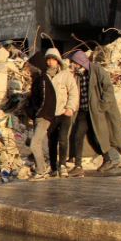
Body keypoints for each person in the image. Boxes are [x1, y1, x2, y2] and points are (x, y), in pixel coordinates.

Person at [68, 50, 121, 177]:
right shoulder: (78, 75)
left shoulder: (97, 71)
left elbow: (108, 88)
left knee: (96, 137)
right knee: (78, 135)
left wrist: (101, 105)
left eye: (75, 62)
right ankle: (78, 166)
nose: (73, 65)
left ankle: (108, 159)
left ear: (80, 62)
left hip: (96, 111)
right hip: (83, 111)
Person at [44, 48, 79, 178]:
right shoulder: (44, 76)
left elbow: (74, 93)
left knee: (63, 139)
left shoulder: (66, 75)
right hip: (50, 115)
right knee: (52, 141)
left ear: (57, 61)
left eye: (52, 59)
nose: (50, 62)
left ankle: (62, 165)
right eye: (48, 59)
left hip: (64, 113)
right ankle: (53, 167)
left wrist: (70, 108)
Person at [26, 51, 57, 180]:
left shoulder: (43, 80)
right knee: (39, 144)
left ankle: (41, 170)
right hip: (39, 116)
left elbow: (48, 99)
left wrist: (39, 113)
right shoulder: (37, 79)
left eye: (30, 66)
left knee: (34, 144)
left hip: (44, 117)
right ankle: (44, 168)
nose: (28, 68)